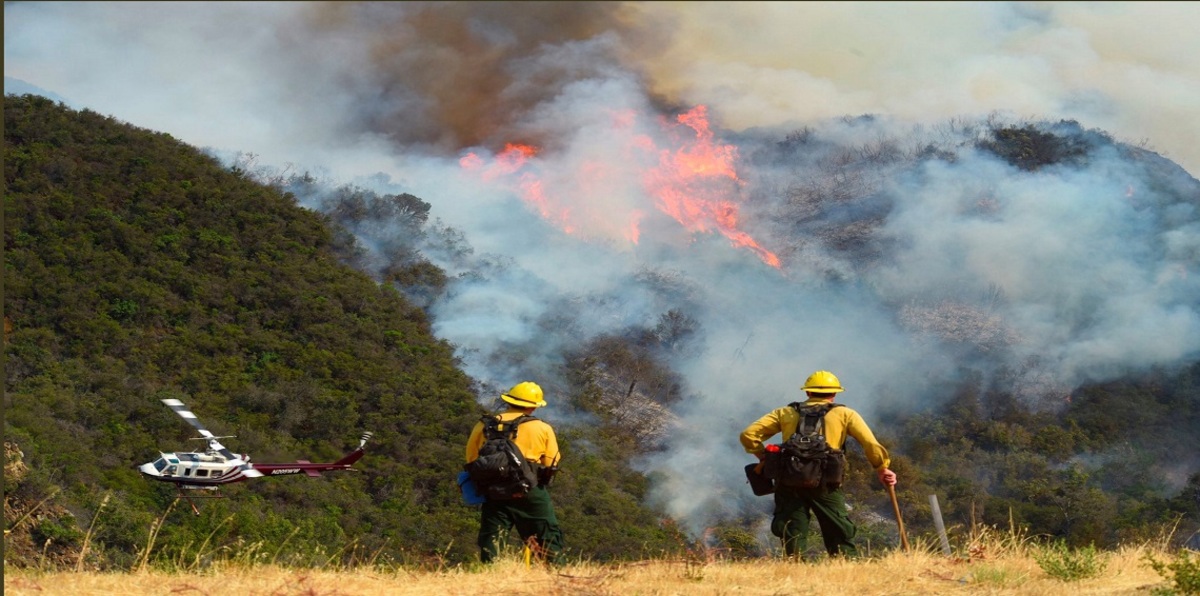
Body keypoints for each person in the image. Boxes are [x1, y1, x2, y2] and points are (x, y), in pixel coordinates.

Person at [740, 370, 898, 559]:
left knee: (791, 527)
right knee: (838, 527)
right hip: (827, 482)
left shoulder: (786, 412)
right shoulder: (846, 414)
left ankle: (795, 566)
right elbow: (870, 444)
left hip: (788, 481)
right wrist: (882, 468)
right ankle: (845, 564)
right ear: (835, 394)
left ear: (807, 392)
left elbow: (748, 435)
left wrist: (763, 457)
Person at [465, 381, 565, 564]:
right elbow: (552, 462)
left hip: (493, 490)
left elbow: (471, 459)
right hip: (530, 490)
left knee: (492, 537)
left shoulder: (483, 426)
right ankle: (556, 572)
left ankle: (491, 574)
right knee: (547, 534)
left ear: (509, 401)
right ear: (532, 407)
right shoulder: (542, 428)